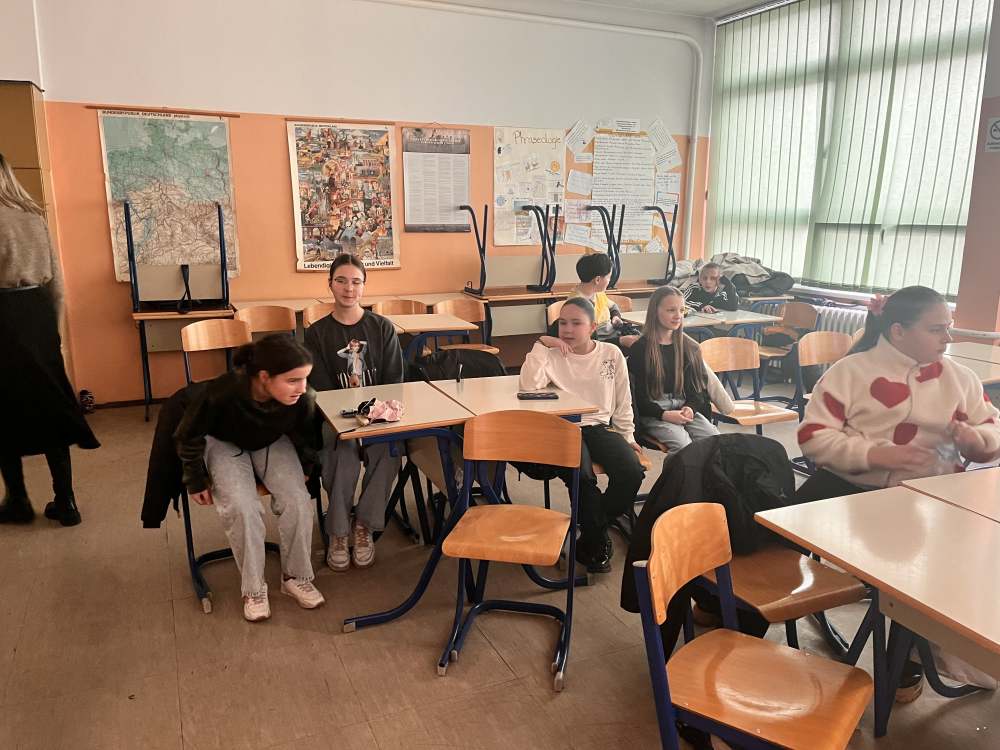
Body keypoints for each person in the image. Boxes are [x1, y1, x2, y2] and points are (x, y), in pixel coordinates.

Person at [797, 285, 1000, 701]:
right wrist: (876, 454)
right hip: (853, 491)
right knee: (774, 536)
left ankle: (911, 655)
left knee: (960, 558)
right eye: (936, 329)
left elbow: (992, 427)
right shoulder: (851, 372)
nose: (947, 338)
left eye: (948, 328)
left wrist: (978, 441)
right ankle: (734, 619)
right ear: (898, 331)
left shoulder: (959, 378)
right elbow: (813, 437)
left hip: (932, 498)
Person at [175, 334, 325, 622]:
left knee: (297, 500)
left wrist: (307, 465)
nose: (302, 387)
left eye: (305, 378)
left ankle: (295, 577)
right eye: (293, 380)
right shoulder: (220, 393)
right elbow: (187, 435)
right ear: (264, 377)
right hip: (223, 442)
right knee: (242, 507)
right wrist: (195, 478)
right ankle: (254, 589)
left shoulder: (304, 397)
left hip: (271, 440)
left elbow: (306, 434)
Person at [0, 152, 99, 526]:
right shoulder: (33, 216)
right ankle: (66, 501)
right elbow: (57, 284)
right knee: (51, 405)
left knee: (4, 410)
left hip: (3, 318)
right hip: (39, 314)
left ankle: (18, 500)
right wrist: (52, 333)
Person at [522, 297, 646, 573]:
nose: (567, 329)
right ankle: (596, 543)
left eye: (576, 323)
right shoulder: (552, 354)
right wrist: (542, 343)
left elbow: (622, 400)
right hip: (564, 428)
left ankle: (593, 528)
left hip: (598, 427)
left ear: (592, 327)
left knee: (632, 471)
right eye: (563, 323)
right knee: (582, 476)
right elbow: (528, 385)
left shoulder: (611, 354)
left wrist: (627, 436)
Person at [304, 253, 403, 572]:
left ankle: (364, 525)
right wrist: (350, 417)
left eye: (356, 282)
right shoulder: (316, 333)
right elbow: (321, 388)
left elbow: (394, 380)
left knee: (389, 451)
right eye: (341, 281)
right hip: (337, 418)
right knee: (340, 454)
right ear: (330, 284)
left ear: (364, 286)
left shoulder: (382, 327)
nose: (349, 288)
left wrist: (374, 412)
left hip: (377, 415)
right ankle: (337, 531)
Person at [628, 286, 734, 452]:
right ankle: (679, 471)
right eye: (671, 310)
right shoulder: (640, 349)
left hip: (683, 408)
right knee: (684, 447)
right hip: (654, 412)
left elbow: (697, 391)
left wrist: (690, 408)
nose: (678, 315)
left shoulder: (689, 347)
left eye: (682, 310)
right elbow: (636, 397)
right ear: (655, 312)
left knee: (716, 442)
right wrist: (663, 414)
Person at [564, 253, 626, 342]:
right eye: (608, 277)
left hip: (613, 334)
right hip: (600, 342)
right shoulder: (576, 303)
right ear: (597, 280)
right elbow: (587, 337)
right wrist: (621, 340)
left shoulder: (598, 293)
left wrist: (615, 316)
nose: (609, 281)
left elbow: (613, 306)